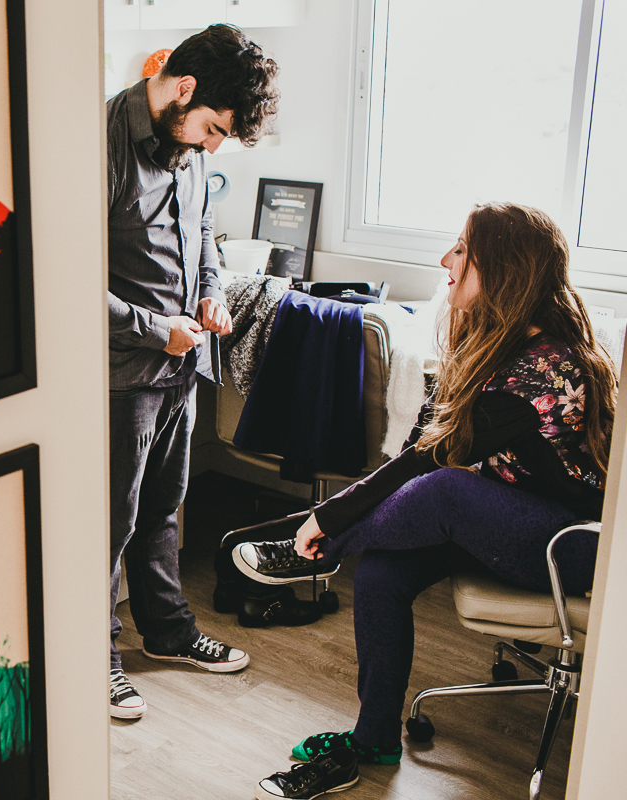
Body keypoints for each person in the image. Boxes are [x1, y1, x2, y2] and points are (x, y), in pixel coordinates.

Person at [234, 202, 616, 780]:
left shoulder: (544, 366)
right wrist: (336, 514)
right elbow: (421, 439)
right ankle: (374, 740)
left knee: (446, 489)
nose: (446, 260)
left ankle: (310, 549)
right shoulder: (489, 341)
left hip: (571, 544)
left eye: (462, 250)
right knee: (380, 574)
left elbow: (433, 459)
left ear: (504, 268)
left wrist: (329, 520)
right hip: (505, 520)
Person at [106, 25, 280, 720]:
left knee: (162, 510)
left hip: (183, 366)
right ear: (183, 89)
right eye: (212, 129)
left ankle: (169, 633)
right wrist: (159, 330)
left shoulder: (190, 151)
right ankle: (94, 659)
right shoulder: (99, 146)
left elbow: (203, 232)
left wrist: (211, 291)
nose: (212, 146)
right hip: (122, 373)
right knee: (107, 522)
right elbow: (65, 277)